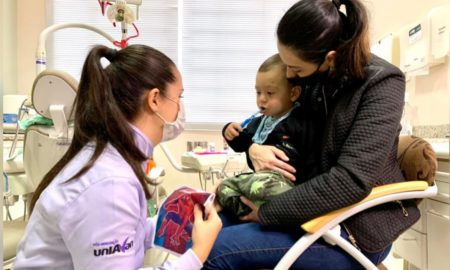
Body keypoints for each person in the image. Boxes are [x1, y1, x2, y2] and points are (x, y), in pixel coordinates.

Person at [203, 0, 416, 269]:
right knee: (204, 229)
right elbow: (283, 139)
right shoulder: (317, 80)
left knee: (212, 251)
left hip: (351, 228)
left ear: (329, 58)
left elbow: (350, 180)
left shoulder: (381, 84)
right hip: (306, 209)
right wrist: (250, 152)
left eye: (296, 70)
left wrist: (268, 212)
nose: (290, 76)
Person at [14, 44, 222, 270]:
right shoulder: (110, 184)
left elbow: (126, 233)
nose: (180, 110)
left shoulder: (112, 158)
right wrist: (197, 255)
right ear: (154, 100)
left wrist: (174, 222)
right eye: (178, 98)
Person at [217, 53, 307, 217]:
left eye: (270, 93)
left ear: (293, 94)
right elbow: (240, 143)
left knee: (260, 185)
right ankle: (246, 211)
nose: (261, 100)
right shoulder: (258, 122)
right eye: (258, 93)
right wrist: (228, 129)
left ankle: (260, 208)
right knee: (223, 187)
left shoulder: (299, 121)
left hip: (287, 185)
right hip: (257, 180)